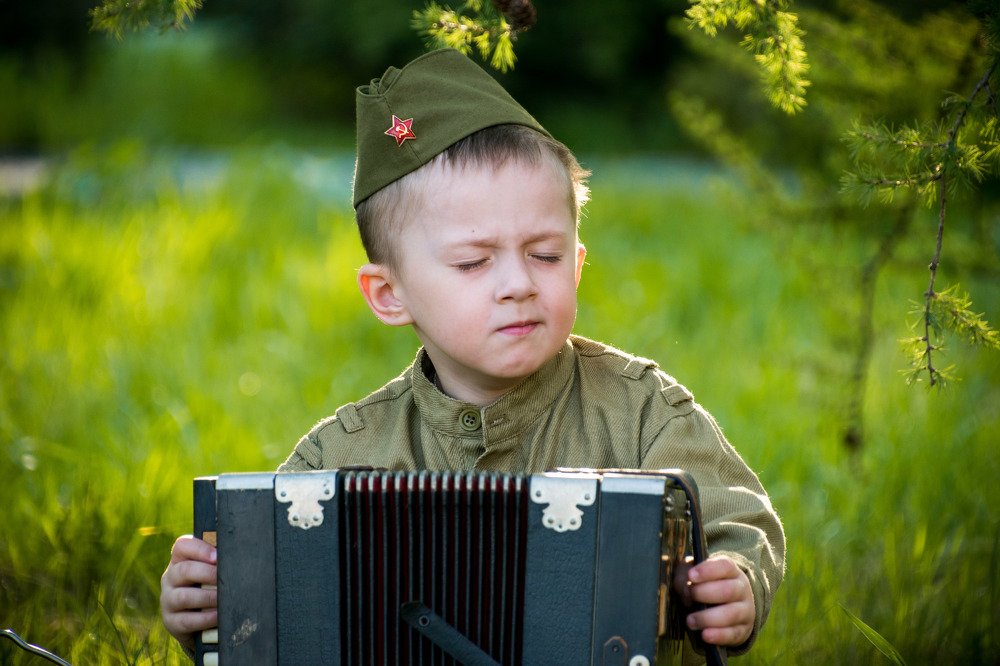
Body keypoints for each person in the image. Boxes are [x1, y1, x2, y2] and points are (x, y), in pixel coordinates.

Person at [160, 48, 785, 663]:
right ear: (389, 294)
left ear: (578, 263)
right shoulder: (340, 457)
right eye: (472, 262)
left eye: (545, 255)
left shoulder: (642, 412)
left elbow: (738, 524)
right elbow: (270, 605)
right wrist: (207, 605)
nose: (518, 283)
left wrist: (736, 581)